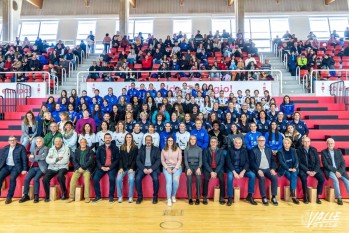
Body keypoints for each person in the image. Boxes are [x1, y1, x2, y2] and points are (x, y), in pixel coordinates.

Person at [226, 137, 257, 206]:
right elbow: (228, 162)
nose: (237, 144)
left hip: (242, 169)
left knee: (252, 175)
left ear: (241, 143)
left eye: (239, 143)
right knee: (230, 177)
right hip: (232, 169)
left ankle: (249, 195)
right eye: (236, 143)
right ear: (234, 143)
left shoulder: (244, 150)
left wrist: (243, 171)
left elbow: (247, 162)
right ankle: (230, 197)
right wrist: (234, 172)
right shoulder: (230, 150)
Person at [249, 136, 279, 206]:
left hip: (268, 169)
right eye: (260, 140)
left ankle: (273, 196)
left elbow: (272, 160)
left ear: (265, 141)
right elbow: (252, 162)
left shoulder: (268, 149)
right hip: (259, 169)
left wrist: (273, 169)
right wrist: (258, 170)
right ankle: (264, 197)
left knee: (274, 178)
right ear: (257, 141)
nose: (261, 142)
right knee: (262, 178)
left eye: (263, 140)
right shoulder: (253, 150)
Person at [19, 137, 48, 203]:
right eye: (37, 141)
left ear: (42, 142)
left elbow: (44, 157)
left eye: (40, 141)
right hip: (33, 167)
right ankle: (25, 195)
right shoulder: (34, 149)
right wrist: (39, 156)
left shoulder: (45, 148)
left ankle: (36, 196)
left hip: (41, 168)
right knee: (26, 179)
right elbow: (30, 159)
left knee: (36, 179)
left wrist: (34, 157)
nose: (38, 142)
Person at [321, 138, 349, 205]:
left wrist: (340, 171)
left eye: (331, 143)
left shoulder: (338, 151)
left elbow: (343, 163)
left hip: (340, 171)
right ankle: (339, 198)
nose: (330, 144)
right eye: (329, 143)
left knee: (347, 181)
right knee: (336, 180)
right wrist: (335, 171)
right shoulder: (323, 152)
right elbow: (326, 164)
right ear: (327, 144)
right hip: (330, 170)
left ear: (334, 144)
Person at [93, 133, 120, 203]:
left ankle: (111, 196)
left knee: (112, 178)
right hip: (102, 167)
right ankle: (98, 196)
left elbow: (117, 159)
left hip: (111, 167)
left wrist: (110, 167)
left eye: (109, 138)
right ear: (104, 139)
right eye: (106, 138)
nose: (107, 139)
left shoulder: (115, 148)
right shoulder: (100, 148)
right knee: (95, 178)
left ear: (111, 139)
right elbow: (97, 159)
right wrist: (101, 167)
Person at [0, 136, 28, 204]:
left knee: (12, 178)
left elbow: (25, 159)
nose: (12, 141)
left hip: (16, 167)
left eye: (14, 140)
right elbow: (1, 159)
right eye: (10, 140)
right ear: (8, 141)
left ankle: (9, 197)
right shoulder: (5, 148)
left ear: (16, 141)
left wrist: (24, 169)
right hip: (6, 166)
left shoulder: (21, 148)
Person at [67, 138, 94, 203]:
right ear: (79, 143)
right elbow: (74, 160)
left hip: (87, 168)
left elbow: (90, 161)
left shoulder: (90, 151)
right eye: (81, 142)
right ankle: (71, 197)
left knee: (87, 181)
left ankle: (87, 197)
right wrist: (78, 167)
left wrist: (83, 168)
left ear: (86, 143)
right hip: (78, 168)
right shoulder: (77, 150)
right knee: (72, 181)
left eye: (84, 142)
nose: (83, 143)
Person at [297, 137, 324, 204]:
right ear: (302, 142)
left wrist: (315, 171)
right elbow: (299, 163)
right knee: (303, 178)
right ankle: (305, 196)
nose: (306, 143)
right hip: (304, 169)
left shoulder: (314, 149)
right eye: (305, 141)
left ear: (310, 142)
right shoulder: (298, 150)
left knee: (321, 179)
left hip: (314, 169)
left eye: (308, 141)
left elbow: (318, 161)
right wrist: (307, 171)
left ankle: (317, 196)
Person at [135, 135, 161, 204]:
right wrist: (143, 169)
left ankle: (155, 196)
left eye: (149, 140)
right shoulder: (141, 149)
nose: (148, 141)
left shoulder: (156, 149)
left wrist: (152, 169)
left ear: (152, 141)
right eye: (147, 140)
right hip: (143, 168)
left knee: (155, 179)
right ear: (145, 141)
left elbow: (158, 161)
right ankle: (140, 196)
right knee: (137, 178)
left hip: (152, 168)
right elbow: (138, 160)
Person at [43, 137, 70, 202]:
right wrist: (57, 159)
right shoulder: (51, 149)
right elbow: (47, 160)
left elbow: (65, 160)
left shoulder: (66, 148)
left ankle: (64, 192)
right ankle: (47, 195)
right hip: (52, 167)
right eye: (56, 141)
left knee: (60, 176)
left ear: (61, 142)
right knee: (45, 179)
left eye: (59, 141)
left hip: (63, 167)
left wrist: (53, 159)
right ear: (54, 142)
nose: (57, 143)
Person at [202, 136, 225, 205]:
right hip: (208, 168)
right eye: (212, 142)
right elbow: (205, 162)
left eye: (215, 142)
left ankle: (221, 197)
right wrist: (211, 171)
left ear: (217, 143)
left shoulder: (220, 151)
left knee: (222, 179)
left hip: (218, 168)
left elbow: (221, 162)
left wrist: (216, 171)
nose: (213, 143)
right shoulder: (206, 150)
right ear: (210, 143)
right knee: (206, 179)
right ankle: (205, 196)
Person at [116, 133, 138, 203]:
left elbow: (135, 159)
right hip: (123, 167)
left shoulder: (135, 147)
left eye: (130, 137)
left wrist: (132, 168)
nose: (128, 138)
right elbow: (120, 159)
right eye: (127, 137)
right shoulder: (122, 147)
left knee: (131, 179)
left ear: (132, 138)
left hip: (132, 168)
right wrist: (121, 168)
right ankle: (120, 196)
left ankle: (130, 196)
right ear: (125, 138)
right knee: (118, 178)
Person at [277, 138, 300, 204]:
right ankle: (293, 195)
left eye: (288, 143)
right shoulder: (280, 151)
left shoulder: (293, 150)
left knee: (294, 174)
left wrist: (295, 167)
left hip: (293, 168)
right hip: (285, 169)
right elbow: (281, 162)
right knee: (292, 177)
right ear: (283, 144)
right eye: (285, 143)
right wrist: (288, 168)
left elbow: (296, 160)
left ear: (290, 144)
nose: (286, 145)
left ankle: (293, 194)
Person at [161, 136, 182, 207]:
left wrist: (176, 168)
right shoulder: (163, 150)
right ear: (167, 141)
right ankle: (169, 199)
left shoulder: (178, 149)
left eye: (171, 140)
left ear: (173, 141)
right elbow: (162, 161)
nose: (170, 142)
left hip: (177, 167)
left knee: (175, 181)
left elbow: (179, 160)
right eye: (169, 140)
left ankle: (173, 195)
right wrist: (167, 168)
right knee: (169, 181)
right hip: (167, 167)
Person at [184, 135, 202, 205]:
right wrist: (188, 168)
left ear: (196, 140)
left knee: (198, 178)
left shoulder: (199, 149)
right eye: (191, 139)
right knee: (189, 179)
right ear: (189, 140)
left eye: (194, 139)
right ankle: (190, 198)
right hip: (189, 166)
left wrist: (199, 168)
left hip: (197, 166)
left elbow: (200, 160)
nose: (192, 140)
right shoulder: (186, 149)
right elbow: (185, 160)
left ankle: (198, 198)